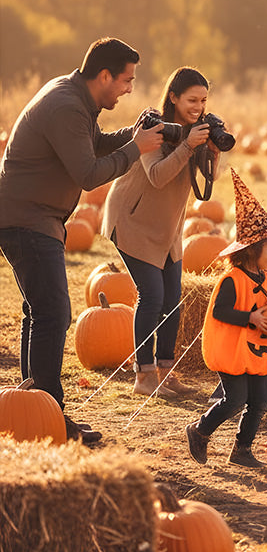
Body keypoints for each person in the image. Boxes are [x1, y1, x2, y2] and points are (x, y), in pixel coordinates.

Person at [0, 38, 163, 445]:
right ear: (104, 75)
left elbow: (93, 143)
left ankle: (35, 411)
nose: (129, 88)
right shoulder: (67, 106)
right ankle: (49, 415)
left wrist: (135, 134)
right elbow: (89, 173)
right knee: (53, 312)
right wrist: (136, 149)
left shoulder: (74, 97)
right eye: (126, 80)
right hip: (27, 218)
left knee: (40, 311)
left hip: (34, 217)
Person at [103, 67, 220, 399]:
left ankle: (167, 375)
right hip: (133, 220)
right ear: (173, 97)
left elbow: (202, 186)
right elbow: (156, 175)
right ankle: (143, 377)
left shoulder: (195, 130)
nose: (198, 106)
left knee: (173, 301)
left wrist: (211, 151)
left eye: (203, 100)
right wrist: (187, 145)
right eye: (191, 100)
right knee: (152, 297)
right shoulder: (152, 128)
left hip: (167, 226)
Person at [186, 170, 267, 469]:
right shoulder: (232, 280)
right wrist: (250, 317)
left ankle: (242, 450)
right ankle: (199, 431)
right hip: (232, 350)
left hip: (257, 350)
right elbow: (220, 312)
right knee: (235, 400)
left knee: (259, 403)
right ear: (252, 250)